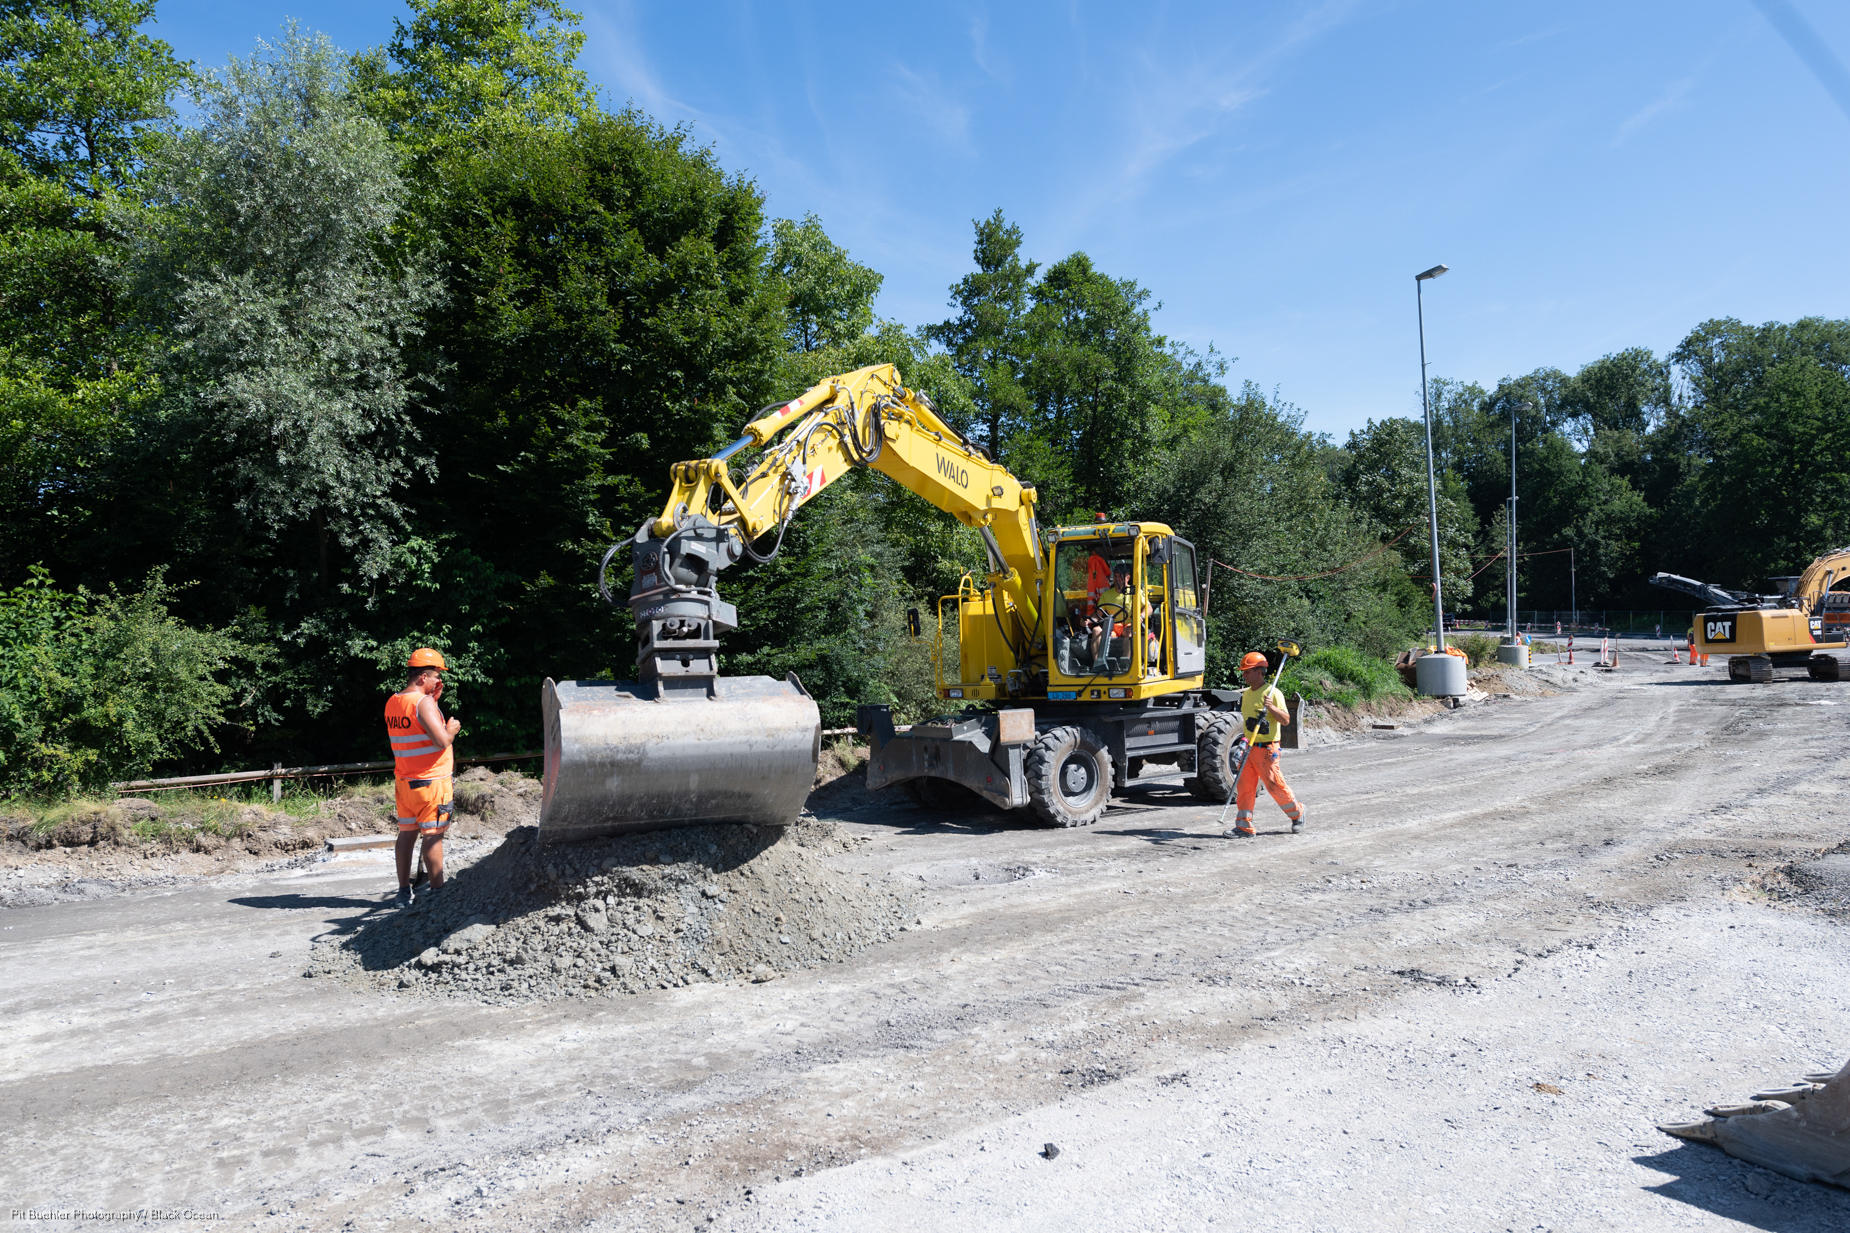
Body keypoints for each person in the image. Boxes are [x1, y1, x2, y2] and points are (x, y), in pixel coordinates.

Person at [384, 648, 461, 907]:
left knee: (407, 835)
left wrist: (435, 700)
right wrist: (451, 730)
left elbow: (418, 726)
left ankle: (403, 892)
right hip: (431, 782)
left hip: (405, 782)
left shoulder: (394, 701)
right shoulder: (422, 702)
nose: (438, 682)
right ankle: (439, 894)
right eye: (435, 677)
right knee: (433, 835)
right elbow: (441, 740)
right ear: (422, 678)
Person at [1225, 650, 1305, 838]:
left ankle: (1298, 813)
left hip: (1267, 749)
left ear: (1259, 672)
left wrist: (1271, 708)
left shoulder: (1273, 693)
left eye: (1247, 671)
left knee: (1275, 786)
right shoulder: (1246, 695)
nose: (1243, 675)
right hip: (1249, 748)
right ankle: (1244, 827)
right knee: (1244, 788)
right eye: (1243, 671)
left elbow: (1285, 720)